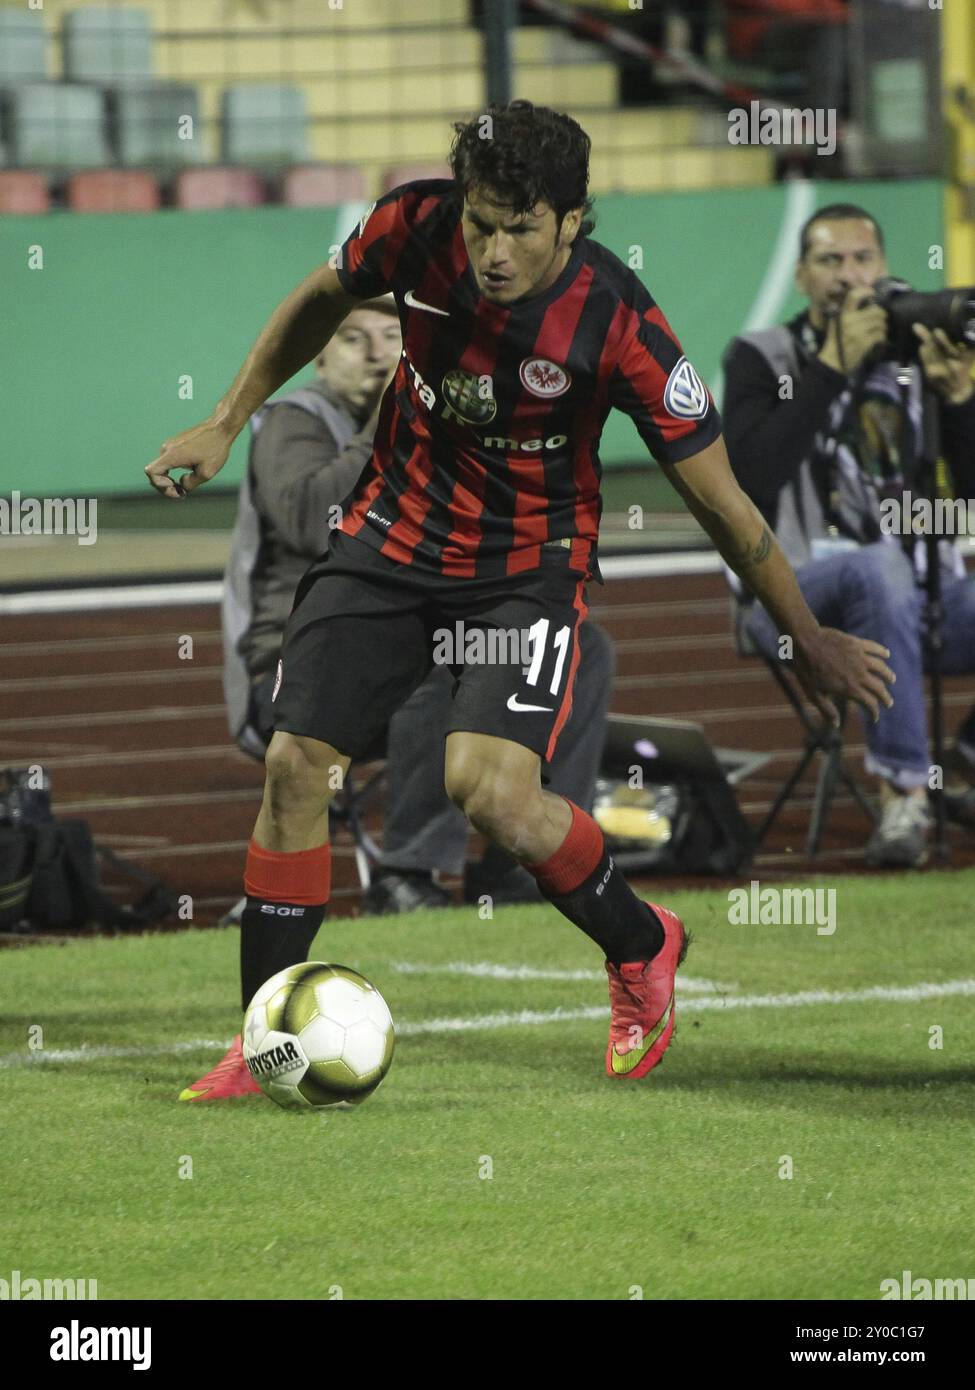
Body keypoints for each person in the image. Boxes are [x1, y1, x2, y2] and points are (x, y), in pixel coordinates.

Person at [146, 102, 893, 1101]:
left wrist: (804, 637)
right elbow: (318, 299)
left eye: (521, 228)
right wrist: (225, 419)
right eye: (482, 222)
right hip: (388, 542)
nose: (494, 251)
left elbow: (724, 504)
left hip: (524, 567)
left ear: (573, 222)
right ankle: (263, 1039)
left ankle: (641, 943)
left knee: (490, 793)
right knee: (293, 765)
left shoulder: (621, 322)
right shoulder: (412, 224)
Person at [222, 292, 616, 916]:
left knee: (578, 646)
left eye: (392, 338)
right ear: (319, 358)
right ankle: (409, 870)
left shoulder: (441, 423)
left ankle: (524, 856)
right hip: (293, 656)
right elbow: (309, 519)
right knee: (444, 660)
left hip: (395, 631)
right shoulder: (294, 420)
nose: (379, 354)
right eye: (355, 339)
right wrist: (390, 420)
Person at [722, 202, 975, 868]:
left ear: (884, 268)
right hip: (792, 595)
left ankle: (963, 764)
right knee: (877, 568)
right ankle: (903, 800)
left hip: (923, 592)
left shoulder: (915, 353)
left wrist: (958, 404)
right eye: (828, 260)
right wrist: (829, 367)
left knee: (890, 571)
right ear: (800, 275)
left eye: (862, 259)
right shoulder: (760, 356)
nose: (848, 275)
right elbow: (751, 478)